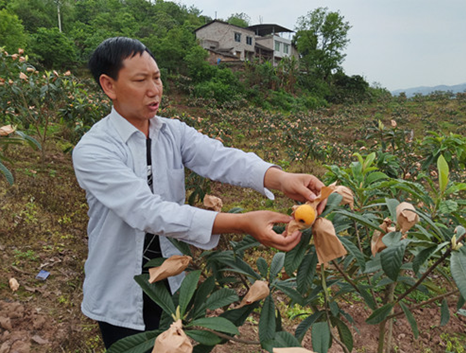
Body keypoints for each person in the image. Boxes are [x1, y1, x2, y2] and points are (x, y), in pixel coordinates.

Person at [72, 36, 326, 349]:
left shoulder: (172, 132)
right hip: (119, 285)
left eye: (157, 77)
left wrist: (280, 177)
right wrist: (242, 222)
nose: (154, 90)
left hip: (172, 278)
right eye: (140, 80)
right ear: (109, 86)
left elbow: (221, 158)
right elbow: (147, 211)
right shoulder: (94, 149)